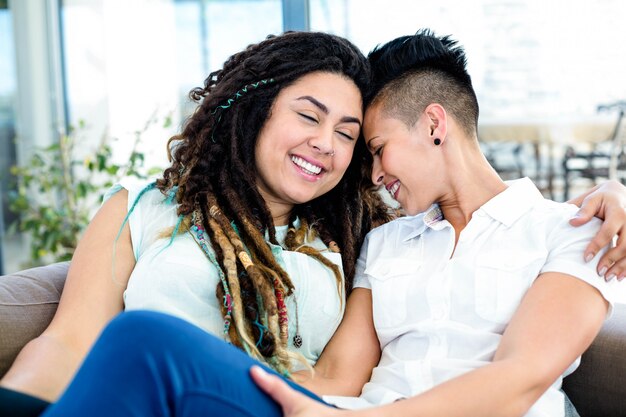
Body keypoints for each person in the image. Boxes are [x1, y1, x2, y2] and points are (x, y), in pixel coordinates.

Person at [3, 29, 626, 417]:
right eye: (310, 117)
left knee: (144, 341)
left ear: (435, 125)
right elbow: (334, 376)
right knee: (146, 347)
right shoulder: (386, 240)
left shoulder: (572, 230)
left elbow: (518, 379)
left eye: (366, 143)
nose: (361, 165)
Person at [0, 31, 391, 416]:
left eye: (345, 134)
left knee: (141, 335)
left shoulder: (355, 241)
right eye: (309, 116)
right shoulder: (140, 206)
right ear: (256, 107)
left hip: (258, 405)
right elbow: (69, 342)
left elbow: (338, 379)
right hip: (133, 398)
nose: (326, 143)